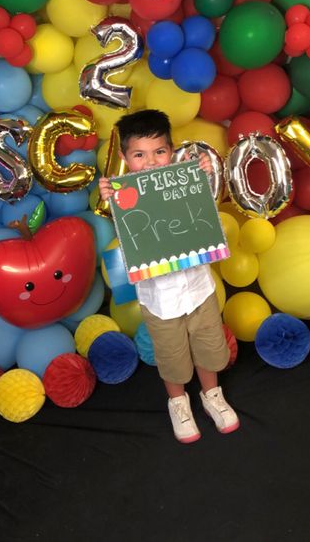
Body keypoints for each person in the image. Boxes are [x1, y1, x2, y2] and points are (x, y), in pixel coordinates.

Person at [99, 109, 239, 444]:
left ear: (171, 150)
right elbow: (132, 238)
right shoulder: (122, 193)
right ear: (124, 158)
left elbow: (207, 228)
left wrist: (201, 181)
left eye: (159, 152)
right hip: (158, 299)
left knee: (209, 345)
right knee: (171, 353)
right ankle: (178, 402)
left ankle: (212, 395)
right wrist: (111, 200)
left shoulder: (183, 181)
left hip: (199, 289)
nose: (150, 163)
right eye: (139, 155)